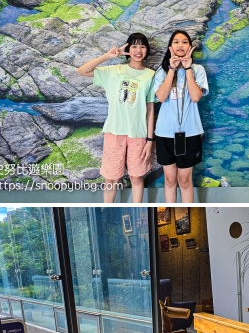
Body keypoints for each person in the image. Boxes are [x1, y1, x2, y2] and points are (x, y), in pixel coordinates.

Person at [75, 33, 158, 203]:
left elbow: (150, 109)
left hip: (138, 133)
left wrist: (150, 140)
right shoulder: (114, 71)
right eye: (134, 46)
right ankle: (108, 209)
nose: (138, 50)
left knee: (136, 177)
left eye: (142, 46)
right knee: (111, 178)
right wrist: (107, 56)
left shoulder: (150, 75)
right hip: (114, 131)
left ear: (147, 50)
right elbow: (81, 71)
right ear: (128, 49)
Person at [153, 29, 208, 203]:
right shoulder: (161, 71)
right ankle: (171, 212)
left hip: (190, 133)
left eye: (184, 42)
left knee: (184, 180)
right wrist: (171, 69)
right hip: (165, 133)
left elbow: (196, 97)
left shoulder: (198, 70)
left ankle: (186, 214)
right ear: (170, 46)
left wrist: (187, 68)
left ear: (190, 46)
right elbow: (161, 97)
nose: (180, 45)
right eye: (176, 42)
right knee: (170, 179)